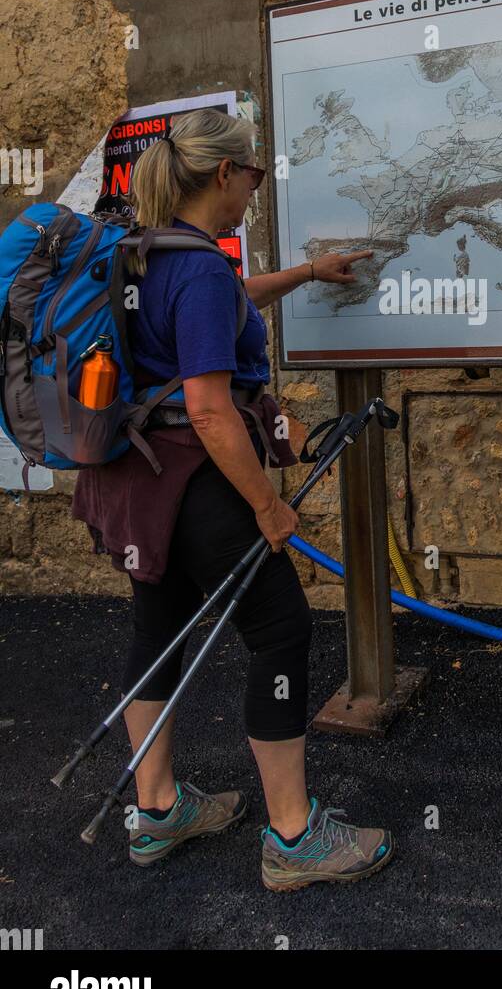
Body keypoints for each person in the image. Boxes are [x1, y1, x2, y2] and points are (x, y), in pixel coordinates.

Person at [72, 107, 394, 892]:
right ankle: (292, 836)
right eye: (252, 172)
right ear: (224, 175)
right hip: (196, 483)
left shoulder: (148, 252)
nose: (255, 184)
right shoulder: (199, 267)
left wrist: (308, 276)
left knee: (157, 629)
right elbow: (213, 409)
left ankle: (156, 813)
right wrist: (268, 506)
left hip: (134, 483)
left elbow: (228, 297)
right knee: (280, 631)